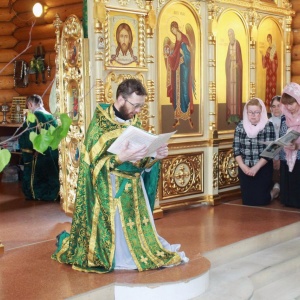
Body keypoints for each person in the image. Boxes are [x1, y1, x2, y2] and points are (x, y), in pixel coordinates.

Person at [51, 79, 188, 273]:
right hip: (110, 191)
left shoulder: (135, 121)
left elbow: (140, 161)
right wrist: (119, 158)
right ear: (121, 99)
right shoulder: (99, 124)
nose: (138, 111)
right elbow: (91, 167)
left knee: (142, 242)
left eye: (141, 106)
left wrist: (154, 157)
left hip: (134, 190)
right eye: (135, 105)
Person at [233, 98, 276, 206]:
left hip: (262, 166)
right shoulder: (240, 126)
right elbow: (236, 149)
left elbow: (270, 151)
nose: (253, 115)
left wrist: (256, 168)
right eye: (250, 112)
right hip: (245, 167)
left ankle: (275, 191)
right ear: (246, 112)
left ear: (261, 112)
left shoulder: (268, 125)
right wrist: (243, 167)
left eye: (256, 112)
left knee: (261, 201)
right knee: (247, 201)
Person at [18, 94, 59, 201]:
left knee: (36, 176)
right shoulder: (51, 116)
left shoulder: (34, 116)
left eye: (28, 106)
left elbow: (28, 137)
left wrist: (26, 149)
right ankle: (54, 194)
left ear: (30, 104)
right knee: (52, 174)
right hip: (53, 152)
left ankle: (36, 194)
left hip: (39, 153)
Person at [166, 21, 194, 129]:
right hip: (178, 71)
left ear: (176, 28)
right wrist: (170, 55)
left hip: (184, 70)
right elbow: (175, 54)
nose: (173, 32)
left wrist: (182, 57)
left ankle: (187, 116)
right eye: (172, 31)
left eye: (173, 30)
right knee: (177, 92)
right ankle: (177, 118)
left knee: (184, 91)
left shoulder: (184, 40)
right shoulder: (178, 41)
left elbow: (188, 56)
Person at [279, 82, 300, 208]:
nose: (289, 107)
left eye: (291, 103)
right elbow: (281, 133)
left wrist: (297, 146)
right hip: (286, 156)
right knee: (288, 201)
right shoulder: (284, 117)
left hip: (299, 157)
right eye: (286, 104)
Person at [225, 28, 243, 123]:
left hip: (236, 73)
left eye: (231, 34)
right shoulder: (229, 45)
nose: (230, 36)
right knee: (230, 94)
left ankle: (236, 116)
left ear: (234, 34)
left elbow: (240, 59)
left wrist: (237, 65)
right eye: (229, 35)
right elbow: (227, 58)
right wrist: (228, 63)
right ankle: (230, 116)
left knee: (235, 94)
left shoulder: (237, 44)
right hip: (230, 72)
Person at [260, 34, 278, 111]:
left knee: (272, 87)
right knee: (268, 88)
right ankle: (267, 106)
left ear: (271, 39)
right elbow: (266, 61)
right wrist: (263, 56)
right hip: (268, 72)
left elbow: (276, 61)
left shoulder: (274, 49)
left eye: (269, 39)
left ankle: (274, 105)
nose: (268, 41)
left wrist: (272, 61)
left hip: (273, 73)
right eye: (267, 40)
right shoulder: (268, 49)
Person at [269, 95, 282, 196]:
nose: (276, 108)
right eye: (274, 106)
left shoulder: (288, 121)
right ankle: (276, 186)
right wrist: (275, 158)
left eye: (279, 105)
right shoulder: (268, 123)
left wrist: (279, 159)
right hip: (272, 155)